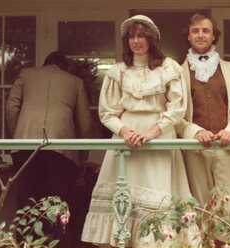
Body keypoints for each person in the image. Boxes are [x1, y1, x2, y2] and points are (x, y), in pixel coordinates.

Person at [81, 15, 191, 247]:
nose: (136, 41)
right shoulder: (118, 71)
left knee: (156, 196)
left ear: (151, 39)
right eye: (131, 36)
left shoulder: (169, 68)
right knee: (123, 197)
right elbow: (107, 112)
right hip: (126, 142)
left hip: (158, 140)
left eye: (141, 35)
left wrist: (151, 133)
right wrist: (125, 132)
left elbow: (177, 108)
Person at [6, 51, 92, 246]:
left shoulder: (26, 74)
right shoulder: (74, 82)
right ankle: (61, 242)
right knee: (60, 200)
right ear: (66, 67)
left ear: (44, 64)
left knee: (26, 200)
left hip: (25, 145)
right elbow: (85, 123)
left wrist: (17, 136)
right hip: (60, 147)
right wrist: (83, 158)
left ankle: (25, 244)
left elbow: (11, 108)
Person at [175, 13, 230, 212]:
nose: (200, 35)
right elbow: (175, 113)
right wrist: (194, 132)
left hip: (226, 148)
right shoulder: (177, 72)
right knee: (199, 208)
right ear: (188, 36)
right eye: (195, 31)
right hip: (194, 150)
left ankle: (226, 244)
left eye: (205, 31)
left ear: (214, 36)